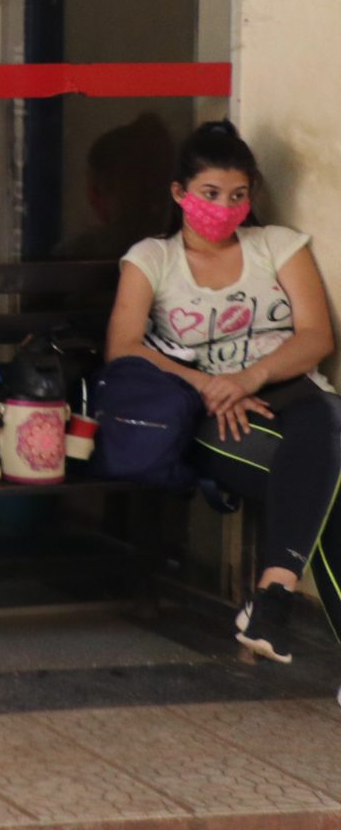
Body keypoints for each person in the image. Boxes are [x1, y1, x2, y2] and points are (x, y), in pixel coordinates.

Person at [102, 120, 338, 664]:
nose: (225, 206)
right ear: (180, 194)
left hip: (292, 396)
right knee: (333, 483)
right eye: (210, 194)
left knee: (328, 432)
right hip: (210, 413)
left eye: (237, 195)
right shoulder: (152, 259)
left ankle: (273, 598)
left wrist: (248, 378)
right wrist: (211, 384)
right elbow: (125, 346)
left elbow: (316, 336)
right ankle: (273, 600)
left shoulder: (277, 246)